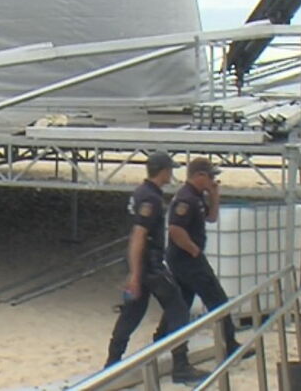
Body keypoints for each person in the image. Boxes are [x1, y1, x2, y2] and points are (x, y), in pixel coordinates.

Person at [104, 151, 208, 384]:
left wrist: (133, 272)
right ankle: (180, 366)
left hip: (143, 265)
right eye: (169, 170)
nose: (171, 174)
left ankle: (111, 365)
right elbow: (139, 236)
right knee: (179, 309)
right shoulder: (150, 199)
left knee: (132, 314)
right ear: (163, 171)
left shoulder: (141, 193)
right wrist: (136, 274)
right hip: (150, 266)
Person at [157, 156, 255, 359]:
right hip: (187, 259)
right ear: (198, 175)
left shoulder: (197, 196)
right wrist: (193, 250)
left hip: (186, 259)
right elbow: (175, 229)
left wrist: (214, 195)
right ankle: (230, 344)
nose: (212, 180)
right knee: (217, 299)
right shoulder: (186, 198)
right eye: (210, 176)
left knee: (181, 302)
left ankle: (160, 339)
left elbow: (211, 217)